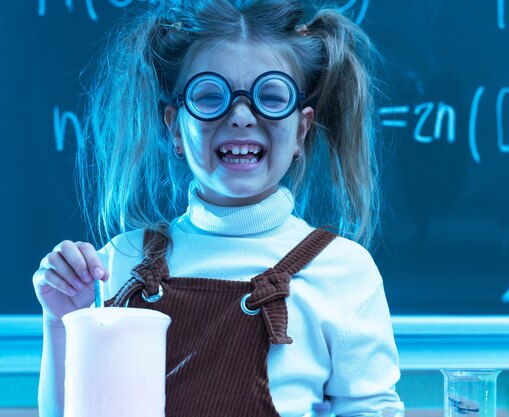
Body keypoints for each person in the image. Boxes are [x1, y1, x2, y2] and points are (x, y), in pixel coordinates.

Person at [33, 0, 404, 416]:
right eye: (210, 96)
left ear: (301, 130)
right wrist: (60, 320)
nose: (241, 115)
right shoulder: (119, 263)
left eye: (270, 96)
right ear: (175, 127)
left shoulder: (343, 272)